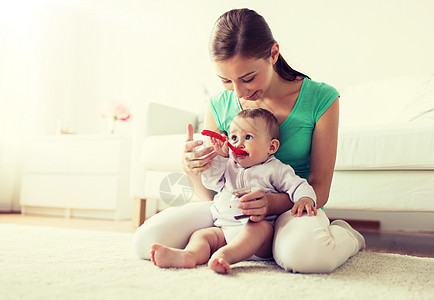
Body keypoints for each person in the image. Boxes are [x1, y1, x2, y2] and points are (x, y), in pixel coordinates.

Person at [133, 8, 365, 273]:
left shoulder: (321, 98)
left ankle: (347, 236)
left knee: (307, 258)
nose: (239, 91)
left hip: (292, 207)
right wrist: (193, 169)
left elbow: (320, 188)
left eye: (248, 78)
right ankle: (243, 247)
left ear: (273, 53)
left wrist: (270, 202)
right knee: (144, 242)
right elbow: (209, 193)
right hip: (231, 207)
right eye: (226, 81)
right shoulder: (218, 104)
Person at [150, 108, 317, 274]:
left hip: (260, 237)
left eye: (248, 137)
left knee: (260, 228)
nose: (238, 143)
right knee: (202, 235)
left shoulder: (276, 169)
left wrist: (305, 199)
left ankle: (224, 256)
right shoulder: (228, 165)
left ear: (271, 146)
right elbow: (211, 181)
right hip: (224, 229)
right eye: (234, 137)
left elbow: (298, 185)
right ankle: (189, 255)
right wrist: (217, 157)